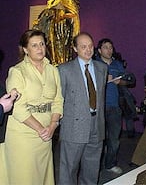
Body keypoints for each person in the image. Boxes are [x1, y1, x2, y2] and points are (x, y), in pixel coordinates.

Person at [2, 29, 63, 185]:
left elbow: (58, 100)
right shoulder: (17, 71)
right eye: (34, 45)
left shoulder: (53, 70)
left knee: (42, 175)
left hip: (47, 133)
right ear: (25, 49)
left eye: (42, 44)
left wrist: (52, 126)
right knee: (24, 177)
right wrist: (41, 129)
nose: (40, 48)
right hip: (23, 134)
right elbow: (18, 108)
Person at [58, 32, 107, 185]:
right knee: (69, 170)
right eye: (83, 47)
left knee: (92, 169)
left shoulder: (102, 68)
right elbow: (59, 99)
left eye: (90, 46)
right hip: (73, 127)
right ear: (75, 48)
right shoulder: (64, 70)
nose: (88, 50)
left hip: (96, 125)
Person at [95, 38, 127, 175]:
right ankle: (94, 165)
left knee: (114, 139)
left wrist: (120, 82)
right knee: (97, 139)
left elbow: (128, 82)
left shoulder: (117, 64)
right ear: (99, 50)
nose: (109, 50)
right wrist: (103, 79)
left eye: (110, 47)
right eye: (105, 47)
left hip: (114, 107)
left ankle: (110, 164)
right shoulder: (94, 64)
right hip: (98, 107)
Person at [33, 0, 80, 66]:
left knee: (62, 53)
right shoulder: (52, 1)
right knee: (52, 52)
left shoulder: (68, 1)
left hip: (63, 31)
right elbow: (45, 14)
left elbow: (73, 15)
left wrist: (60, 13)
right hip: (52, 31)